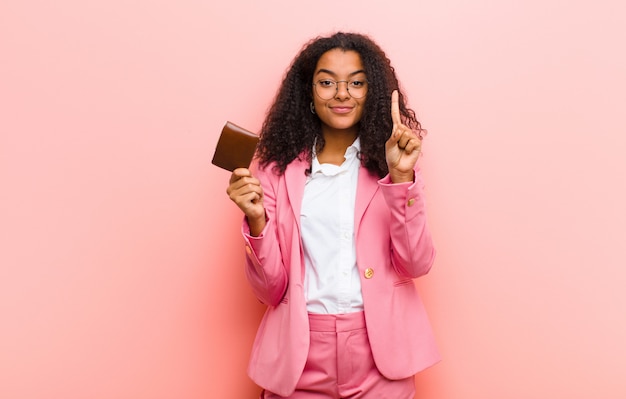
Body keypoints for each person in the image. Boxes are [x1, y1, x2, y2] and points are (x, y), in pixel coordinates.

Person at [226, 32, 439, 399]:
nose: (342, 93)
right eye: (327, 82)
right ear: (308, 92)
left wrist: (401, 179)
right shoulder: (275, 171)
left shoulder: (390, 165)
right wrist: (257, 221)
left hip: (380, 359)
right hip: (299, 359)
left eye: (356, 83)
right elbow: (270, 290)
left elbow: (416, 263)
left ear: (371, 93)